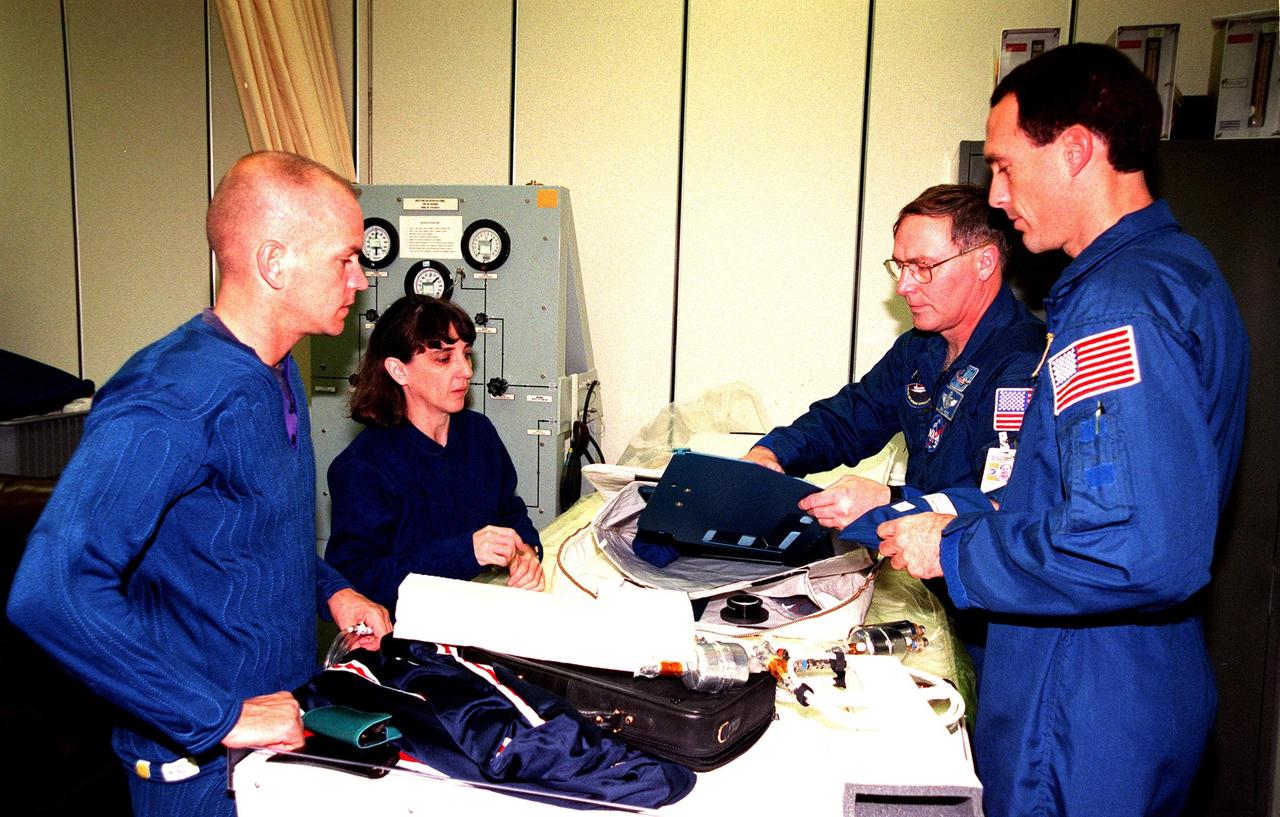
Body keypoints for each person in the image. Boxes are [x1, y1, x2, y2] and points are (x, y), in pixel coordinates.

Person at [876, 43, 1249, 817]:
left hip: (1083, 696)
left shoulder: (1118, 308)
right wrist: (952, 515)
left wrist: (953, 549)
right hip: (1127, 676)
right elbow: (1076, 499)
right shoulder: (1175, 272)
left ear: (1077, 150)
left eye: (1007, 167)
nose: (997, 194)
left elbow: (1132, 543)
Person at [6, 151, 393, 817]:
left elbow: (243, 529)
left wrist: (333, 589)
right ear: (275, 262)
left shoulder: (275, 369)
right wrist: (219, 716)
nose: (359, 278)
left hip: (276, 741)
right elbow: (51, 588)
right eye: (345, 257)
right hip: (200, 770)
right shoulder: (171, 393)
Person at [744, 184, 1045, 661]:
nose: (904, 286)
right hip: (922, 581)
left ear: (984, 262)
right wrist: (774, 452)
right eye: (899, 267)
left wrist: (889, 499)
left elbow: (1001, 502)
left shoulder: (1022, 363)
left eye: (922, 267)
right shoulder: (921, 346)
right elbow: (853, 415)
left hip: (987, 610)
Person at [325, 294, 544, 610]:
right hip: (414, 638)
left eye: (466, 355)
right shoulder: (364, 466)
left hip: (485, 615)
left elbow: (509, 509)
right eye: (444, 359)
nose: (466, 371)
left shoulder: (479, 433)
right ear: (398, 371)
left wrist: (526, 551)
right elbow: (357, 578)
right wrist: (464, 553)